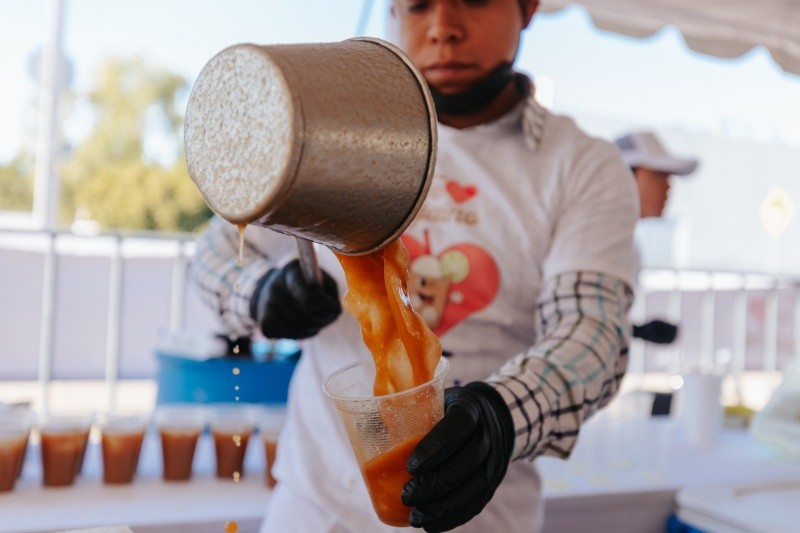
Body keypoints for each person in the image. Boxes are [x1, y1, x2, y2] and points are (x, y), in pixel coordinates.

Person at [190, 1, 639, 531]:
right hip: (317, 506)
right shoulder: (331, 135)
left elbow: (592, 332)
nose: (443, 28)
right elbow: (214, 253)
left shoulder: (581, 165)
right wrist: (258, 293)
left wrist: (502, 414)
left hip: (483, 515)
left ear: (528, 7)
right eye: (417, 5)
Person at [614, 131, 699, 346]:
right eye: (659, 175)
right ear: (624, 174)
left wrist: (638, 330)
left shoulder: (627, 246)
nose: (669, 186)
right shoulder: (592, 239)